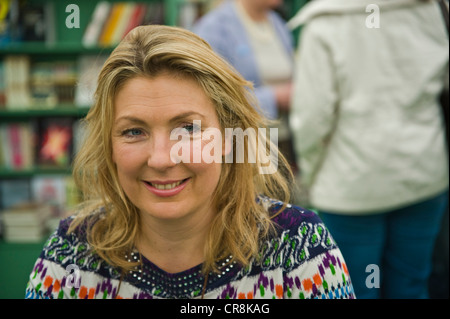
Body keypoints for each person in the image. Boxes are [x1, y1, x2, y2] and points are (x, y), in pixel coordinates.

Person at [25, 25, 354, 299]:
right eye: (134, 131)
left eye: (188, 128)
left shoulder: (298, 250)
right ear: (107, 145)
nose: (162, 158)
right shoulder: (70, 254)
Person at [288, 0, 449, 299]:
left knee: (356, 289)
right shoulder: (431, 9)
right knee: (411, 284)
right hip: (424, 172)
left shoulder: (325, 22)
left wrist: (312, 174)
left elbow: (312, 118)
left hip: (353, 187)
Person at [193, 0, 298, 176]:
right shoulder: (214, 28)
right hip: (243, 142)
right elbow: (208, 93)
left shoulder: (276, 22)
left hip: (282, 138)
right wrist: (273, 98)